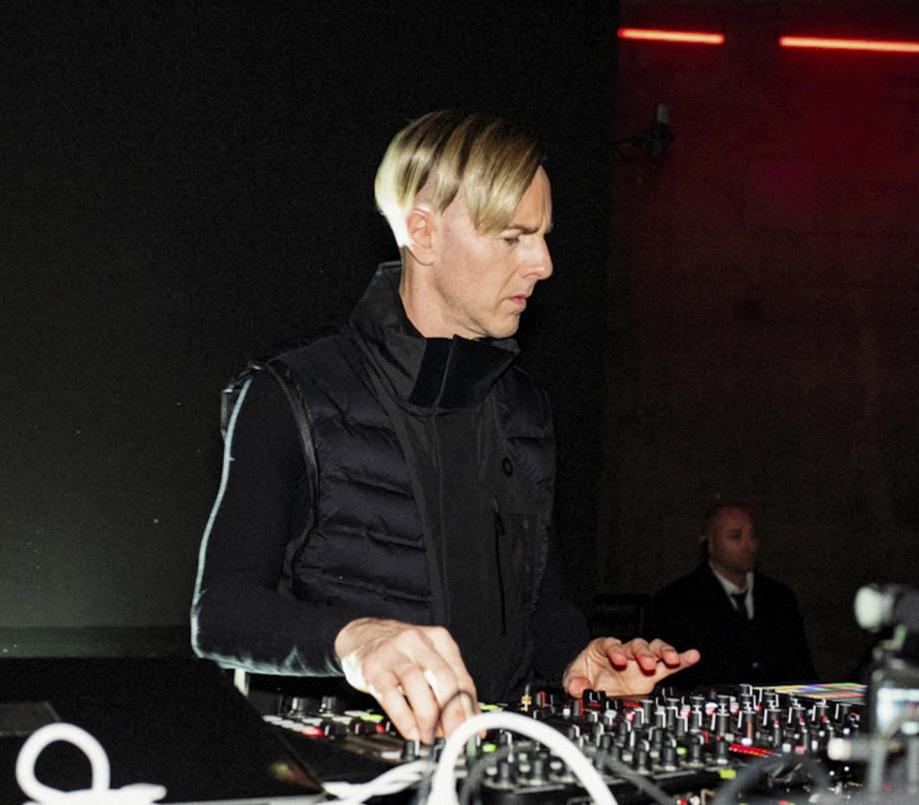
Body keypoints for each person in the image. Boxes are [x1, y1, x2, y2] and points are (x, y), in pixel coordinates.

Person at [191, 110, 699, 742]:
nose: (542, 263)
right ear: (424, 235)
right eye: (514, 238)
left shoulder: (526, 411)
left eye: (542, 236)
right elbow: (222, 615)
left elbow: (540, 603)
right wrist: (356, 639)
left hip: (492, 788)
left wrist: (577, 658)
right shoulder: (289, 395)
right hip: (343, 802)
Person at [645, 502, 816, 689]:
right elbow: (674, 681)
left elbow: (803, 671)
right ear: (709, 543)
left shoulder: (780, 598)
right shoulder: (676, 601)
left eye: (753, 535)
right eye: (736, 536)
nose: (749, 546)